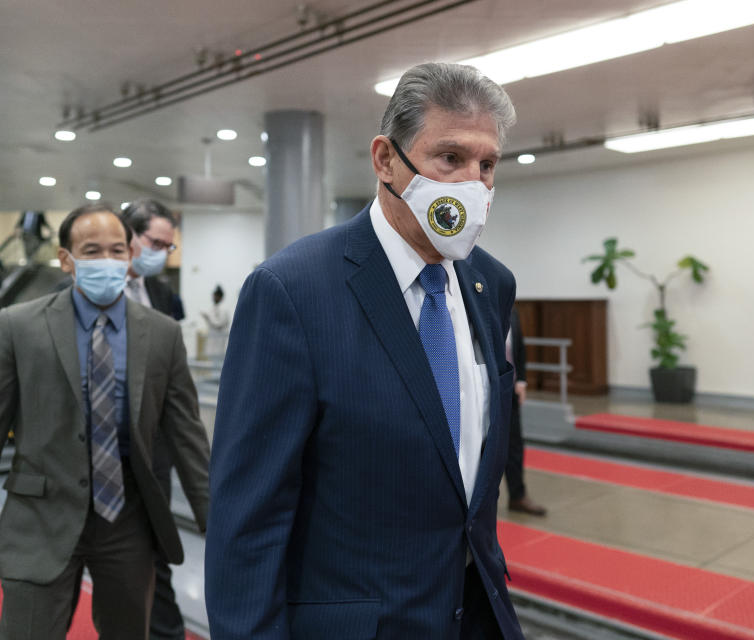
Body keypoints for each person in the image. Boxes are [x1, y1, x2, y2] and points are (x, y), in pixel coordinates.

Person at [205, 62, 523, 639]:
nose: (471, 184)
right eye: (449, 158)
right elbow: (248, 517)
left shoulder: (490, 284)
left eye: (487, 164)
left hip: (474, 615)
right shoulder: (292, 291)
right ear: (385, 160)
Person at [0, 204, 210, 640]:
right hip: (40, 516)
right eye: (92, 251)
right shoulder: (17, 327)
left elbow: (188, 438)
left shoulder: (162, 335)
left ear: (131, 255)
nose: (108, 261)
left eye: (117, 250)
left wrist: (218, 526)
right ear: (66, 259)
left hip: (128, 520)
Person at [120, 198, 188, 640]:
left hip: (153, 450)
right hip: (92, 454)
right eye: (154, 242)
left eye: (167, 246)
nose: (160, 253)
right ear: (128, 235)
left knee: (157, 554)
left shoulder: (163, 296)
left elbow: (176, 383)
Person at [505, 307, 547, 516]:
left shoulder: (512, 312)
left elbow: (519, 348)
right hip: (487, 391)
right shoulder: (478, 307)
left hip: (510, 390)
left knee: (514, 446)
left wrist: (521, 380)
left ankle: (517, 496)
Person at [121, 199, 184, 321]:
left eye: (168, 247)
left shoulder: (162, 291)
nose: (163, 253)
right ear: (129, 234)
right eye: (157, 243)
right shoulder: (99, 284)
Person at [199, 285, 230, 360]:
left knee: (218, 365)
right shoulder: (212, 308)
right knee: (212, 364)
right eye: (214, 295)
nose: (214, 297)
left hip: (219, 342)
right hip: (212, 341)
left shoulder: (224, 309)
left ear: (220, 297)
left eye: (216, 296)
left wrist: (208, 317)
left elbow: (219, 324)